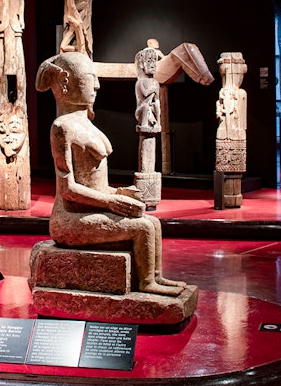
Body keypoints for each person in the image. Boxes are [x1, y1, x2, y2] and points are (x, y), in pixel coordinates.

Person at [35, 52, 185, 296]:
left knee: (153, 222)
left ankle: (155, 276)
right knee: (143, 228)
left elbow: (96, 184)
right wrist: (111, 202)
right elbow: (68, 190)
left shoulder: (86, 123)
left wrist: (119, 193)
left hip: (90, 208)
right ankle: (147, 283)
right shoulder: (62, 128)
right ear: (65, 82)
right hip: (70, 218)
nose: (96, 85)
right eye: (89, 78)